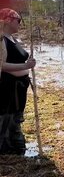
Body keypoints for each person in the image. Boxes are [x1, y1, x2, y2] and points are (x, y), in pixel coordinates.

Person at [0, 8, 36, 155]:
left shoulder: (13, 39)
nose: (20, 24)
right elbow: (1, 65)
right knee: (6, 118)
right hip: (8, 87)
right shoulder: (1, 40)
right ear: (8, 20)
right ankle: (6, 150)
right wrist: (25, 66)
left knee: (16, 118)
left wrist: (29, 63)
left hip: (20, 86)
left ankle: (17, 148)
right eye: (18, 20)